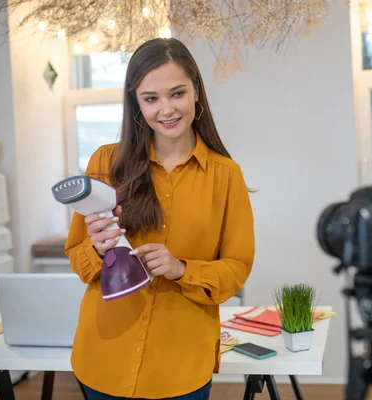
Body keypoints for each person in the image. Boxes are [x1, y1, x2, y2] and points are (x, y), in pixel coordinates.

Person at [64, 37, 255, 400]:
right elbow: (77, 255)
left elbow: (236, 267)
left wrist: (182, 269)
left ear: (196, 91)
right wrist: (97, 247)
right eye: (151, 98)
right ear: (136, 103)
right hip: (103, 357)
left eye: (177, 93)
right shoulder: (105, 164)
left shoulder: (226, 175)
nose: (166, 109)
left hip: (180, 367)